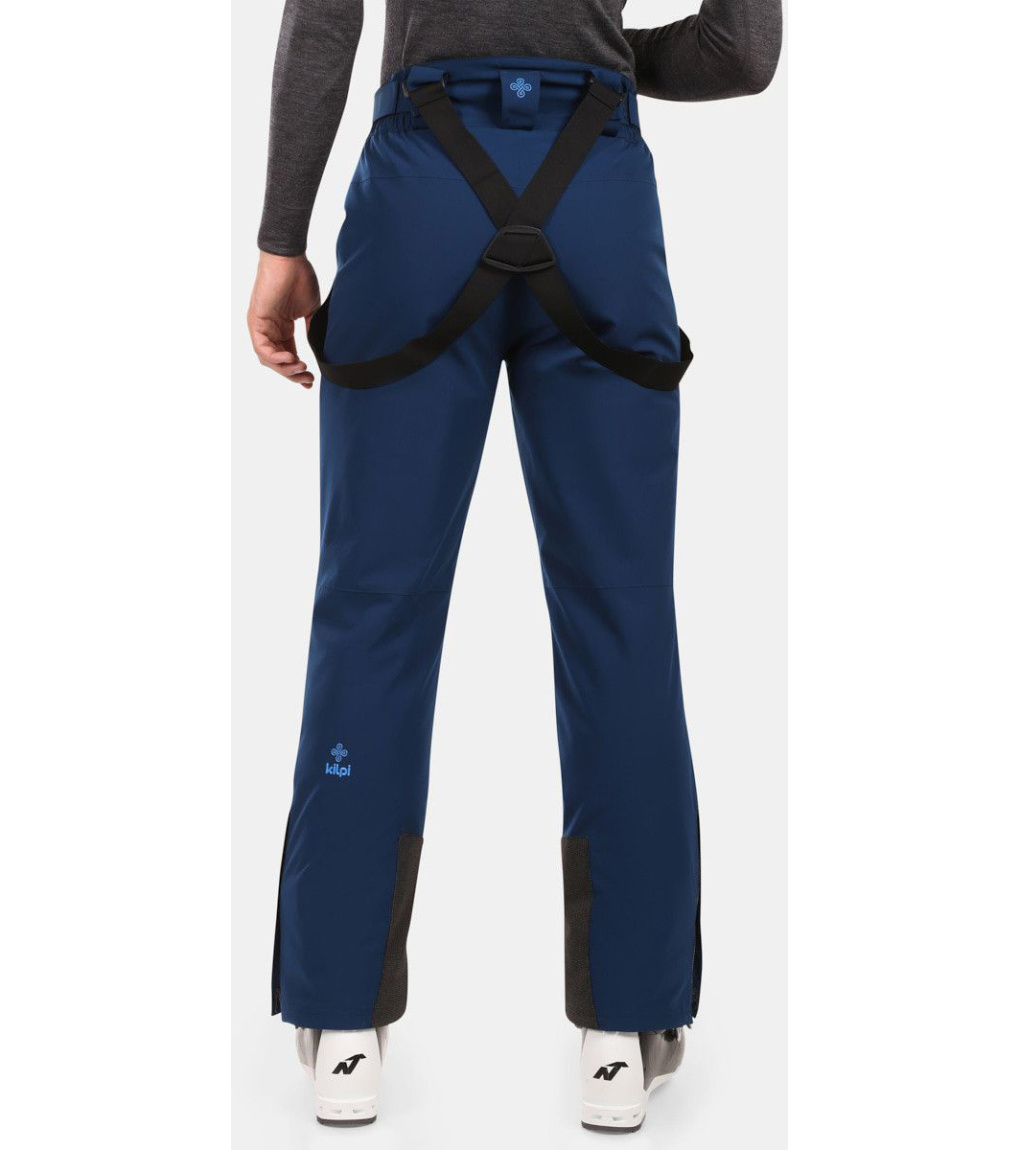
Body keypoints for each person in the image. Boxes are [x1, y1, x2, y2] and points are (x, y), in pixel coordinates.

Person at [248, 0, 781, 1133]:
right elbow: (742, 53)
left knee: (373, 606)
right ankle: (624, 1033)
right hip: (598, 192)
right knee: (622, 614)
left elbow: (325, 20)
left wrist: (281, 238)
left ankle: (342, 1028)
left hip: (420, 196)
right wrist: (595, 51)